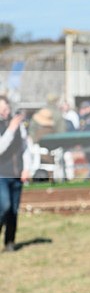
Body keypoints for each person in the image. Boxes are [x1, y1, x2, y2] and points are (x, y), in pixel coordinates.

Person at [0, 96, 32, 252]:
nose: (4, 113)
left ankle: (9, 242)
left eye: (5, 109)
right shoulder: (11, 126)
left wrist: (26, 168)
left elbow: (25, 147)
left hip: (16, 173)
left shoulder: (18, 125)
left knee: (13, 210)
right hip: (1, 174)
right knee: (4, 206)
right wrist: (11, 129)